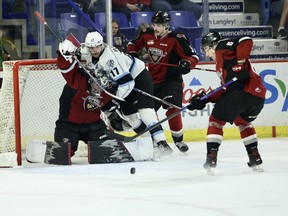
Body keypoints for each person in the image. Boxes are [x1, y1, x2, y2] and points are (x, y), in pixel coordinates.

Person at [80, 31, 173, 155]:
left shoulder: (110, 59)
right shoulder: (85, 50)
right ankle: (151, 144)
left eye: (97, 46)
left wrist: (115, 100)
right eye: (91, 47)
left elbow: (128, 84)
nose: (95, 50)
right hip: (122, 83)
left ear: (101, 44)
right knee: (131, 118)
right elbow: (77, 51)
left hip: (138, 78)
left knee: (146, 112)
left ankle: (163, 145)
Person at [187, 32, 267, 173]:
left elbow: (246, 40)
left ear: (212, 45)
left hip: (242, 93)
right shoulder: (223, 65)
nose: (206, 54)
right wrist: (205, 99)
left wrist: (241, 63)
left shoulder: (221, 46)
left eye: (206, 49)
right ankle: (254, 157)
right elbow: (227, 91)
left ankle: (211, 157)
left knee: (215, 121)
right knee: (242, 121)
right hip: (257, 99)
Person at [127, 11, 199, 153]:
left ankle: (178, 141)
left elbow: (193, 56)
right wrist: (133, 56)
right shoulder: (147, 34)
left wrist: (187, 63)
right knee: (149, 112)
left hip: (172, 81)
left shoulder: (177, 38)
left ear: (166, 25)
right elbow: (132, 45)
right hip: (151, 81)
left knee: (174, 109)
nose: (156, 28)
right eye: (154, 24)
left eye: (159, 25)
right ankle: (157, 139)